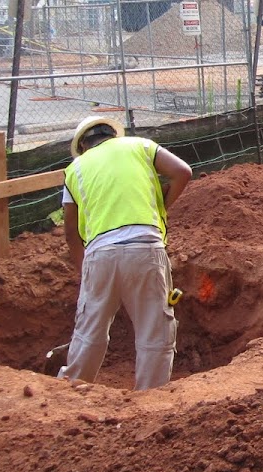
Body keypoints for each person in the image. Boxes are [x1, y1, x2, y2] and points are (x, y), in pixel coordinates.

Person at [59, 116, 193, 390]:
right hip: (145, 248)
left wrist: (84, 272)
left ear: (84, 145)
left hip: (100, 254)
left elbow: (71, 232)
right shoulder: (140, 146)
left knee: (89, 331)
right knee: (154, 330)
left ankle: (69, 393)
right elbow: (183, 172)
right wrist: (161, 207)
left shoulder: (76, 169)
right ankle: (150, 398)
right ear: (113, 135)